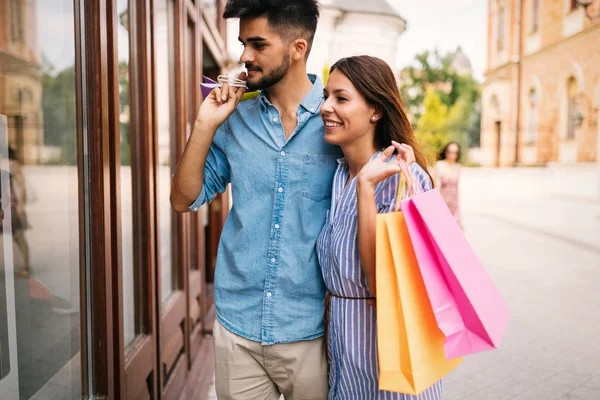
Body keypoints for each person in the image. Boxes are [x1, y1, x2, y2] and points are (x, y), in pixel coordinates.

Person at [170, 1, 338, 398]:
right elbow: (182, 199)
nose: (244, 56)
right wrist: (205, 124)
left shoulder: (337, 123)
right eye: (243, 43)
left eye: (258, 44)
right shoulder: (234, 122)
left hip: (312, 330)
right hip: (238, 328)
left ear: (297, 48)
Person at [317, 56, 443, 399]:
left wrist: (367, 189)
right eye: (326, 96)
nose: (326, 107)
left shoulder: (404, 178)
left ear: (375, 111)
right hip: (344, 353)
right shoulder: (339, 174)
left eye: (341, 99)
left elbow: (379, 282)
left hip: (388, 355)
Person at [435, 142, 462, 228]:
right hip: (442, 202)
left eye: (455, 152)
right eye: (450, 152)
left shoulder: (458, 167)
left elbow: (457, 188)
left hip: (454, 204)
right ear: (446, 152)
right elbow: (435, 185)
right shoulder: (440, 165)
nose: (452, 155)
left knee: (456, 229)